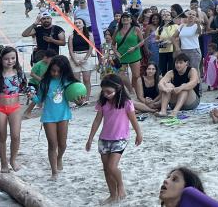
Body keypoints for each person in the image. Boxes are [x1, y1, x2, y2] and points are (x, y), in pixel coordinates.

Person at [86, 74, 143, 205]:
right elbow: (97, 121)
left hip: (120, 138)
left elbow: (133, 120)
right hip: (104, 139)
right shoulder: (103, 102)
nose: (106, 94)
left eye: (109, 92)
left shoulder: (126, 103)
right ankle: (113, 194)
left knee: (112, 167)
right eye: (104, 91)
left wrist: (139, 134)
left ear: (118, 88)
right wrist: (90, 139)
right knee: (106, 169)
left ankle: (120, 185)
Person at [33, 56, 85, 179]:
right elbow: (39, 100)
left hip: (63, 116)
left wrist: (79, 102)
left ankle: (59, 158)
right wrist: (31, 95)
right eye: (53, 70)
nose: (55, 73)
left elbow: (74, 99)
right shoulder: (44, 82)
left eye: (58, 71)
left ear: (64, 70)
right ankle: (54, 171)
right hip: (48, 117)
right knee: (52, 144)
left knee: (63, 144)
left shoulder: (68, 82)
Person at [0, 46, 28, 173]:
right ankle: (3, 162)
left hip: (15, 108)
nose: (10, 61)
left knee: (15, 135)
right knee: (1, 136)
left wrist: (31, 91)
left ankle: (13, 159)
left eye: (13, 58)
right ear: (1, 60)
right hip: (0, 108)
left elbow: (25, 87)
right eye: (7, 59)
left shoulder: (19, 73)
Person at [157, 53, 200, 117]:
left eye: (180, 63)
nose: (178, 65)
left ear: (186, 63)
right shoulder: (171, 72)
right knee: (168, 85)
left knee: (184, 87)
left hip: (190, 102)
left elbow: (193, 83)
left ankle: (175, 112)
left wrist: (181, 88)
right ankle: (163, 111)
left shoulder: (192, 70)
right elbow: (160, 83)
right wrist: (165, 89)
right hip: (174, 102)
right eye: (176, 63)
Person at [68, 18, 96, 102]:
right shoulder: (71, 36)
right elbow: (70, 49)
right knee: (77, 80)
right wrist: (74, 60)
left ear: (83, 24)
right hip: (75, 56)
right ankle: (78, 98)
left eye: (79, 22)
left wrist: (86, 58)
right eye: (76, 23)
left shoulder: (89, 35)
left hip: (85, 55)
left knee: (86, 79)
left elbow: (91, 47)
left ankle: (86, 98)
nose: (77, 24)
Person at [157, 9, 180, 77]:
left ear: (171, 17)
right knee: (163, 68)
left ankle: (172, 82)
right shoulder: (159, 28)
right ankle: (165, 83)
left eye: (168, 15)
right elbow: (156, 38)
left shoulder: (175, 26)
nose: (166, 16)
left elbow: (179, 37)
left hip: (172, 50)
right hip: (162, 49)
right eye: (164, 15)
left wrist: (170, 42)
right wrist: (159, 41)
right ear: (162, 17)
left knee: (171, 67)